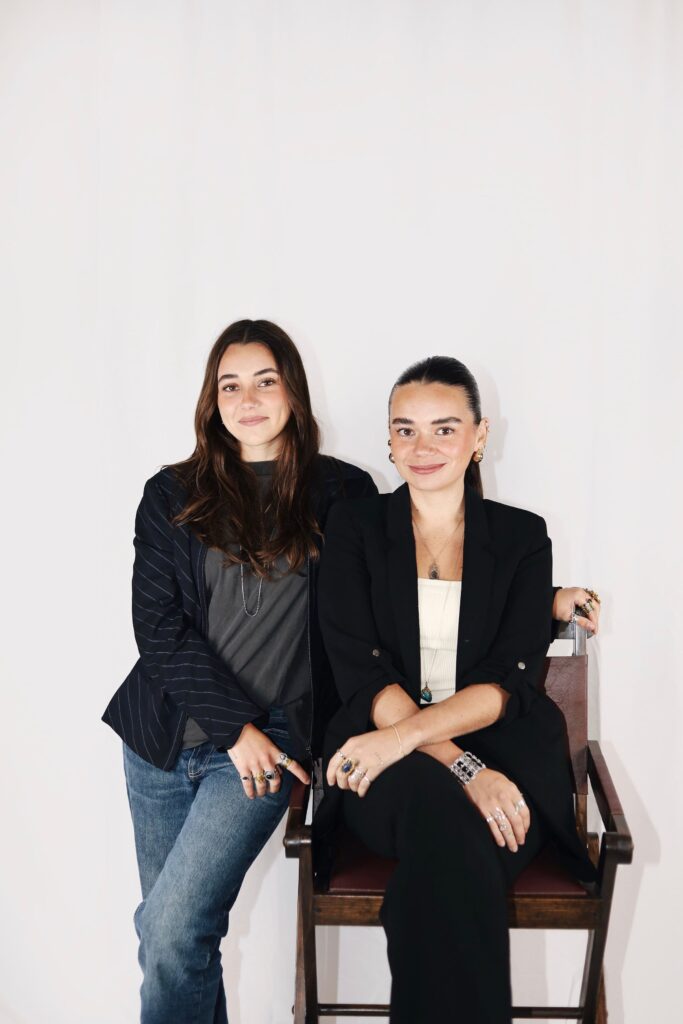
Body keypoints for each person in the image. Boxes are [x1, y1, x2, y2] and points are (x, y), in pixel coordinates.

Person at [101, 319, 377, 1024]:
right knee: (178, 938)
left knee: (169, 930)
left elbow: (405, 586)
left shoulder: (343, 492)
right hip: (159, 741)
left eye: (264, 381)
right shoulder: (171, 493)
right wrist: (231, 727)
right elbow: (157, 628)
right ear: (211, 398)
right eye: (230, 385)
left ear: (293, 391)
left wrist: (543, 600)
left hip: (268, 744)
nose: (247, 400)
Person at [316, 355, 601, 1024]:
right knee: (450, 822)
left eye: (444, 429)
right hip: (384, 758)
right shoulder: (353, 528)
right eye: (405, 430)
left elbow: (506, 683)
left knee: (442, 861)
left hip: (499, 752)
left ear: (479, 435)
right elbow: (361, 672)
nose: (423, 447)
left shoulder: (521, 536)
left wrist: (418, 745)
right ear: (388, 441)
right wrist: (462, 767)